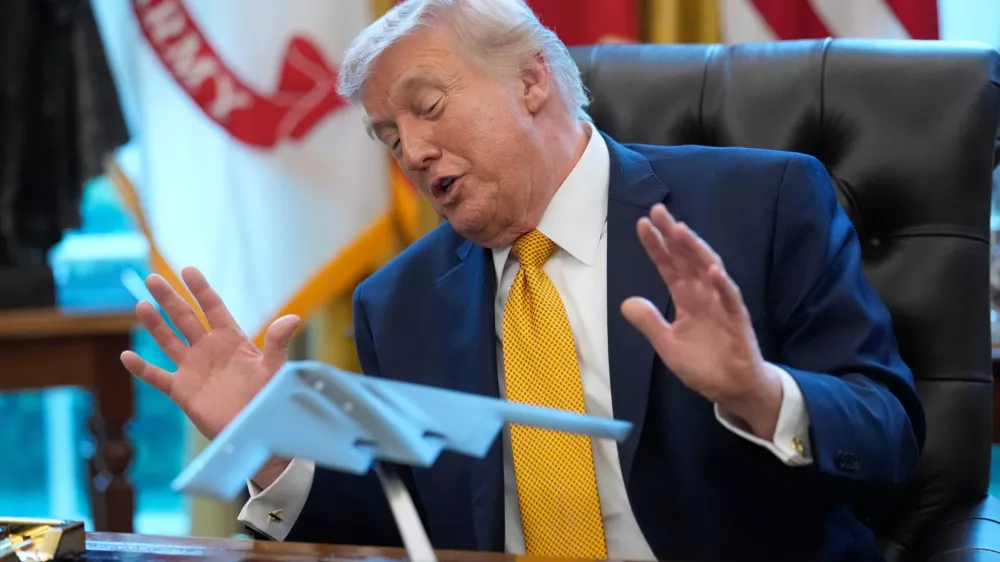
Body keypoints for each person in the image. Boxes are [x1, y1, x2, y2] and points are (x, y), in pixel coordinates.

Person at [120, 0, 926, 560]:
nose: (413, 152)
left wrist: (758, 391)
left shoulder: (761, 203)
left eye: (427, 107)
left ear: (533, 81)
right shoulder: (396, 302)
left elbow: (889, 434)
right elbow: (400, 527)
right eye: (387, 135)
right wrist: (268, 448)